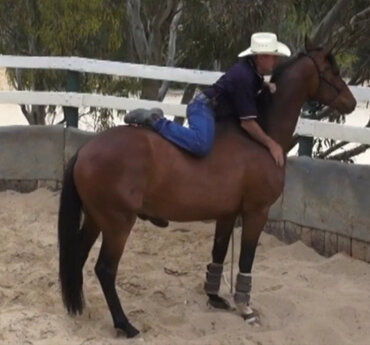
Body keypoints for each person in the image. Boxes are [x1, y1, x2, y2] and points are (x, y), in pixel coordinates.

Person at [124, 32, 291, 167]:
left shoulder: (252, 72)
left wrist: (266, 85)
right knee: (201, 144)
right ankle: (157, 121)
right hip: (204, 108)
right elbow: (247, 123)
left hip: (216, 110)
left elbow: (254, 83)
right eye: (272, 56)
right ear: (260, 57)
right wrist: (271, 143)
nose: (276, 60)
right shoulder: (244, 76)